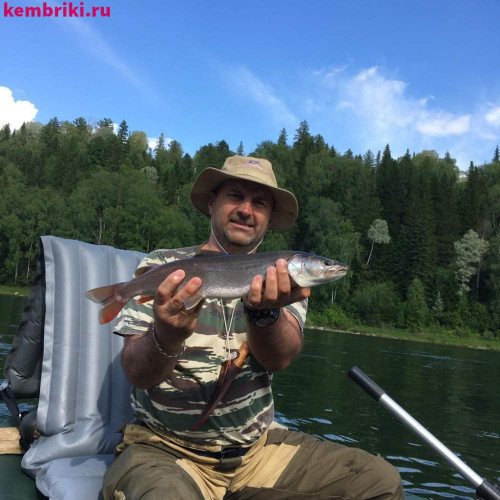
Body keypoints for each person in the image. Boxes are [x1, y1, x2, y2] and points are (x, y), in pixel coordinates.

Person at [102, 156, 404, 499]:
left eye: (259, 202)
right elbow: (137, 372)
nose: (246, 209)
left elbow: (280, 358)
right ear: (212, 202)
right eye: (235, 195)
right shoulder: (163, 265)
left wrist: (265, 315)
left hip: (258, 453)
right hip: (165, 450)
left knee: (380, 482)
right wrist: (167, 335)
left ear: (270, 217)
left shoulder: (286, 279)